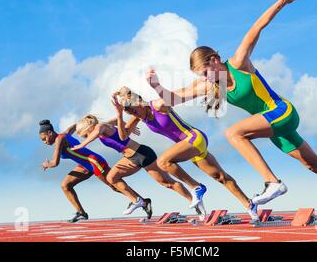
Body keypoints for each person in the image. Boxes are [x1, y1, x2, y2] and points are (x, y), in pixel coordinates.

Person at [146, 0, 317, 223]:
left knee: (234, 133)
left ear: (215, 60)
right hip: (275, 128)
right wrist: (156, 86)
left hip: (283, 112)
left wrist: (282, 2)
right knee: (314, 165)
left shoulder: (238, 63)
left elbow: (258, 27)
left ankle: (273, 182)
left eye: (205, 72)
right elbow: (175, 97)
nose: (205, 78)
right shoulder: (210, 86)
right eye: (201, 76)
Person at [111, 86, 259, 221]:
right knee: (220, 177)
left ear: (139, 102)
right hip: (189, 147)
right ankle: (249, 205)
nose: (133, 114)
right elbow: (123, 137)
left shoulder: (158, 105)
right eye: (129, 112)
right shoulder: (138, 117)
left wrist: (203, 89)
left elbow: (177, 96)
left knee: (163, 162)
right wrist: (119, 115)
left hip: (194, 138)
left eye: (133, 110)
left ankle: (196, 187)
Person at [68, 114, 206, 219]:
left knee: (168, 183)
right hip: (130, 158)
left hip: (142, 154)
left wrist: (82, 145)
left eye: (85, 133)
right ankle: (138, 200)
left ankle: (195, 202)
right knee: (111, 177)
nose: (87, 136)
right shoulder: (105, 125)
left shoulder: (100, 127)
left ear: (89, 127)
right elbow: (117, 120)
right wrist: (128, 128)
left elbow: (97, 132)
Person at [38, 119, 152, 222]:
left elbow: (55, 163)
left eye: (44, 139)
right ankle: (81, 213)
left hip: (94, 162)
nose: (45, 142)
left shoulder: (60, 139)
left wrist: (46, 164)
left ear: (50, 133)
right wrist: (83, 123)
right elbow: (74, 126)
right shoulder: (65, 134)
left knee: (114, 186)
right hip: (83, 165)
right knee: (65, 185)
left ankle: (142, 201)